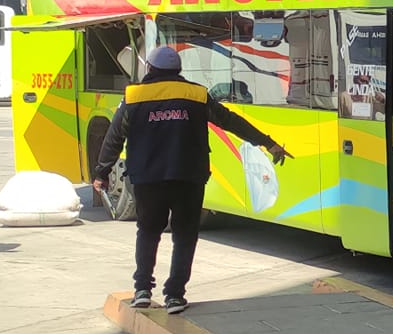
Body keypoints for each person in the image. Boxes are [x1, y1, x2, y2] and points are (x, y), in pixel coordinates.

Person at [93, 45, 290, 314]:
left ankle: (142, 290)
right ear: (178, 70)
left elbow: (114, 137)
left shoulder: (134, 96)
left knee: (148, 232)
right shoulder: (196, 95)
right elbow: (230, 121)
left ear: (150, 68)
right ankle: (175, 295)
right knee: (185, 236)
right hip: (188, 176)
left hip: (148, 178)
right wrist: (268, 143)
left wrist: (101, 173)